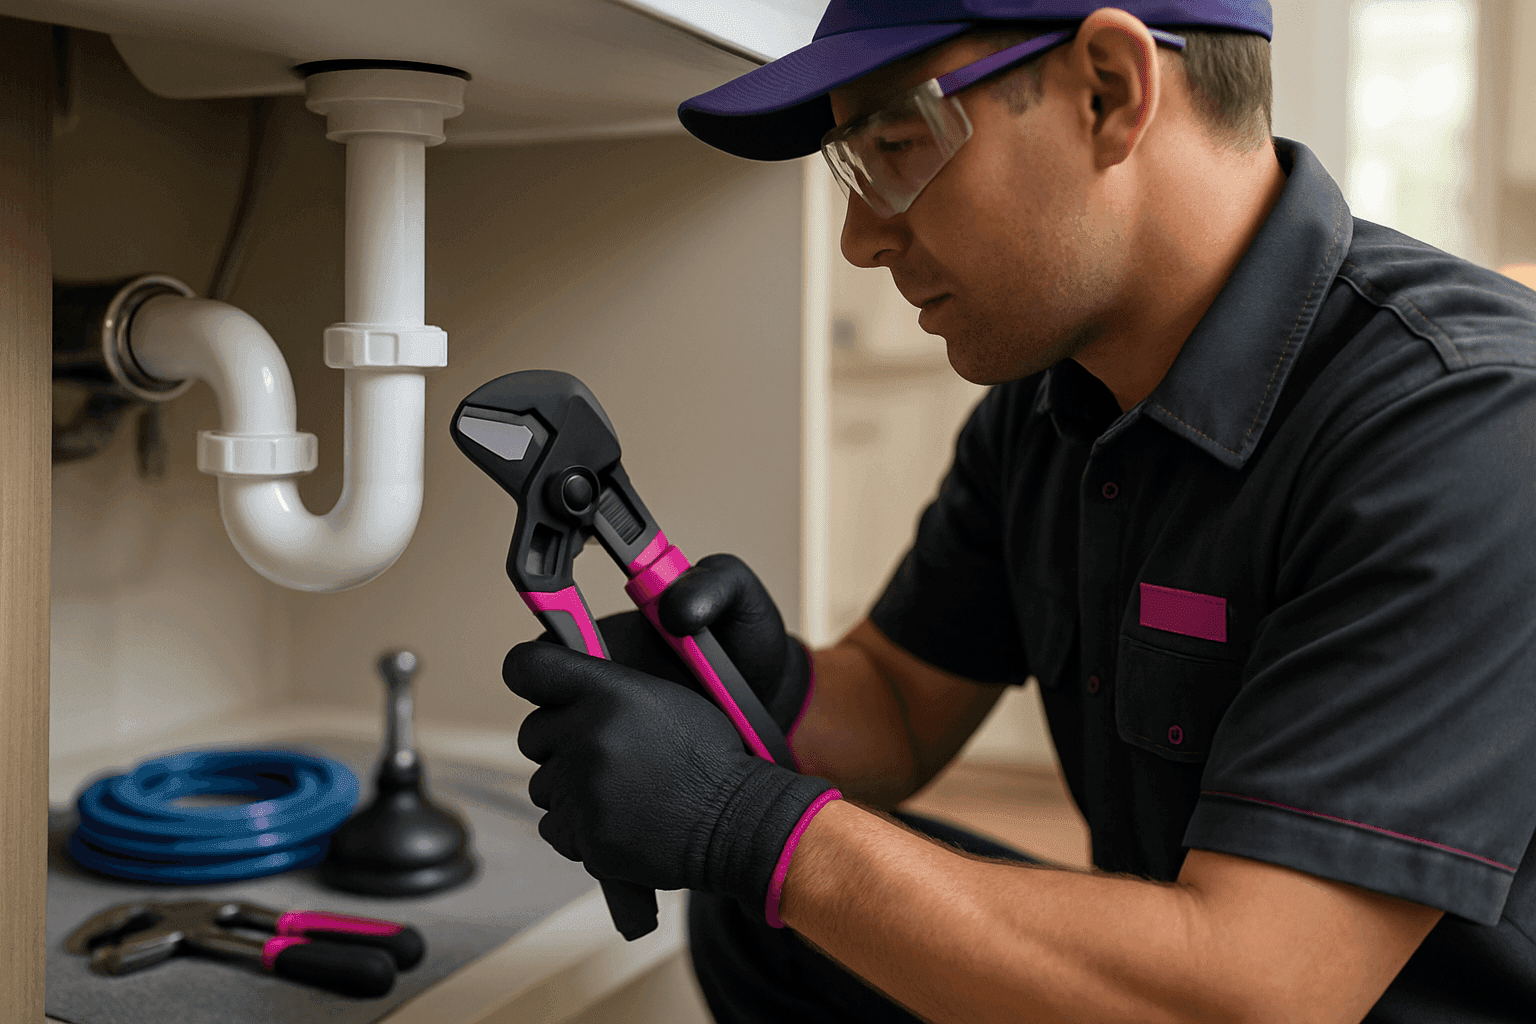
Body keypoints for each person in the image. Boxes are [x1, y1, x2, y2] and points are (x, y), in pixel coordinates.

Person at [502, 2, 1536, 1020]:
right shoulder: (1052, 403)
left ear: (1109, 91)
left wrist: (751, 824)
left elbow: (1253, 997)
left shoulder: (1465, 422)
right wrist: (769, 686)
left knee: (788, 874)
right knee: (764, 921)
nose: (862, 236)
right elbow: (903, 706)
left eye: (897, 142)